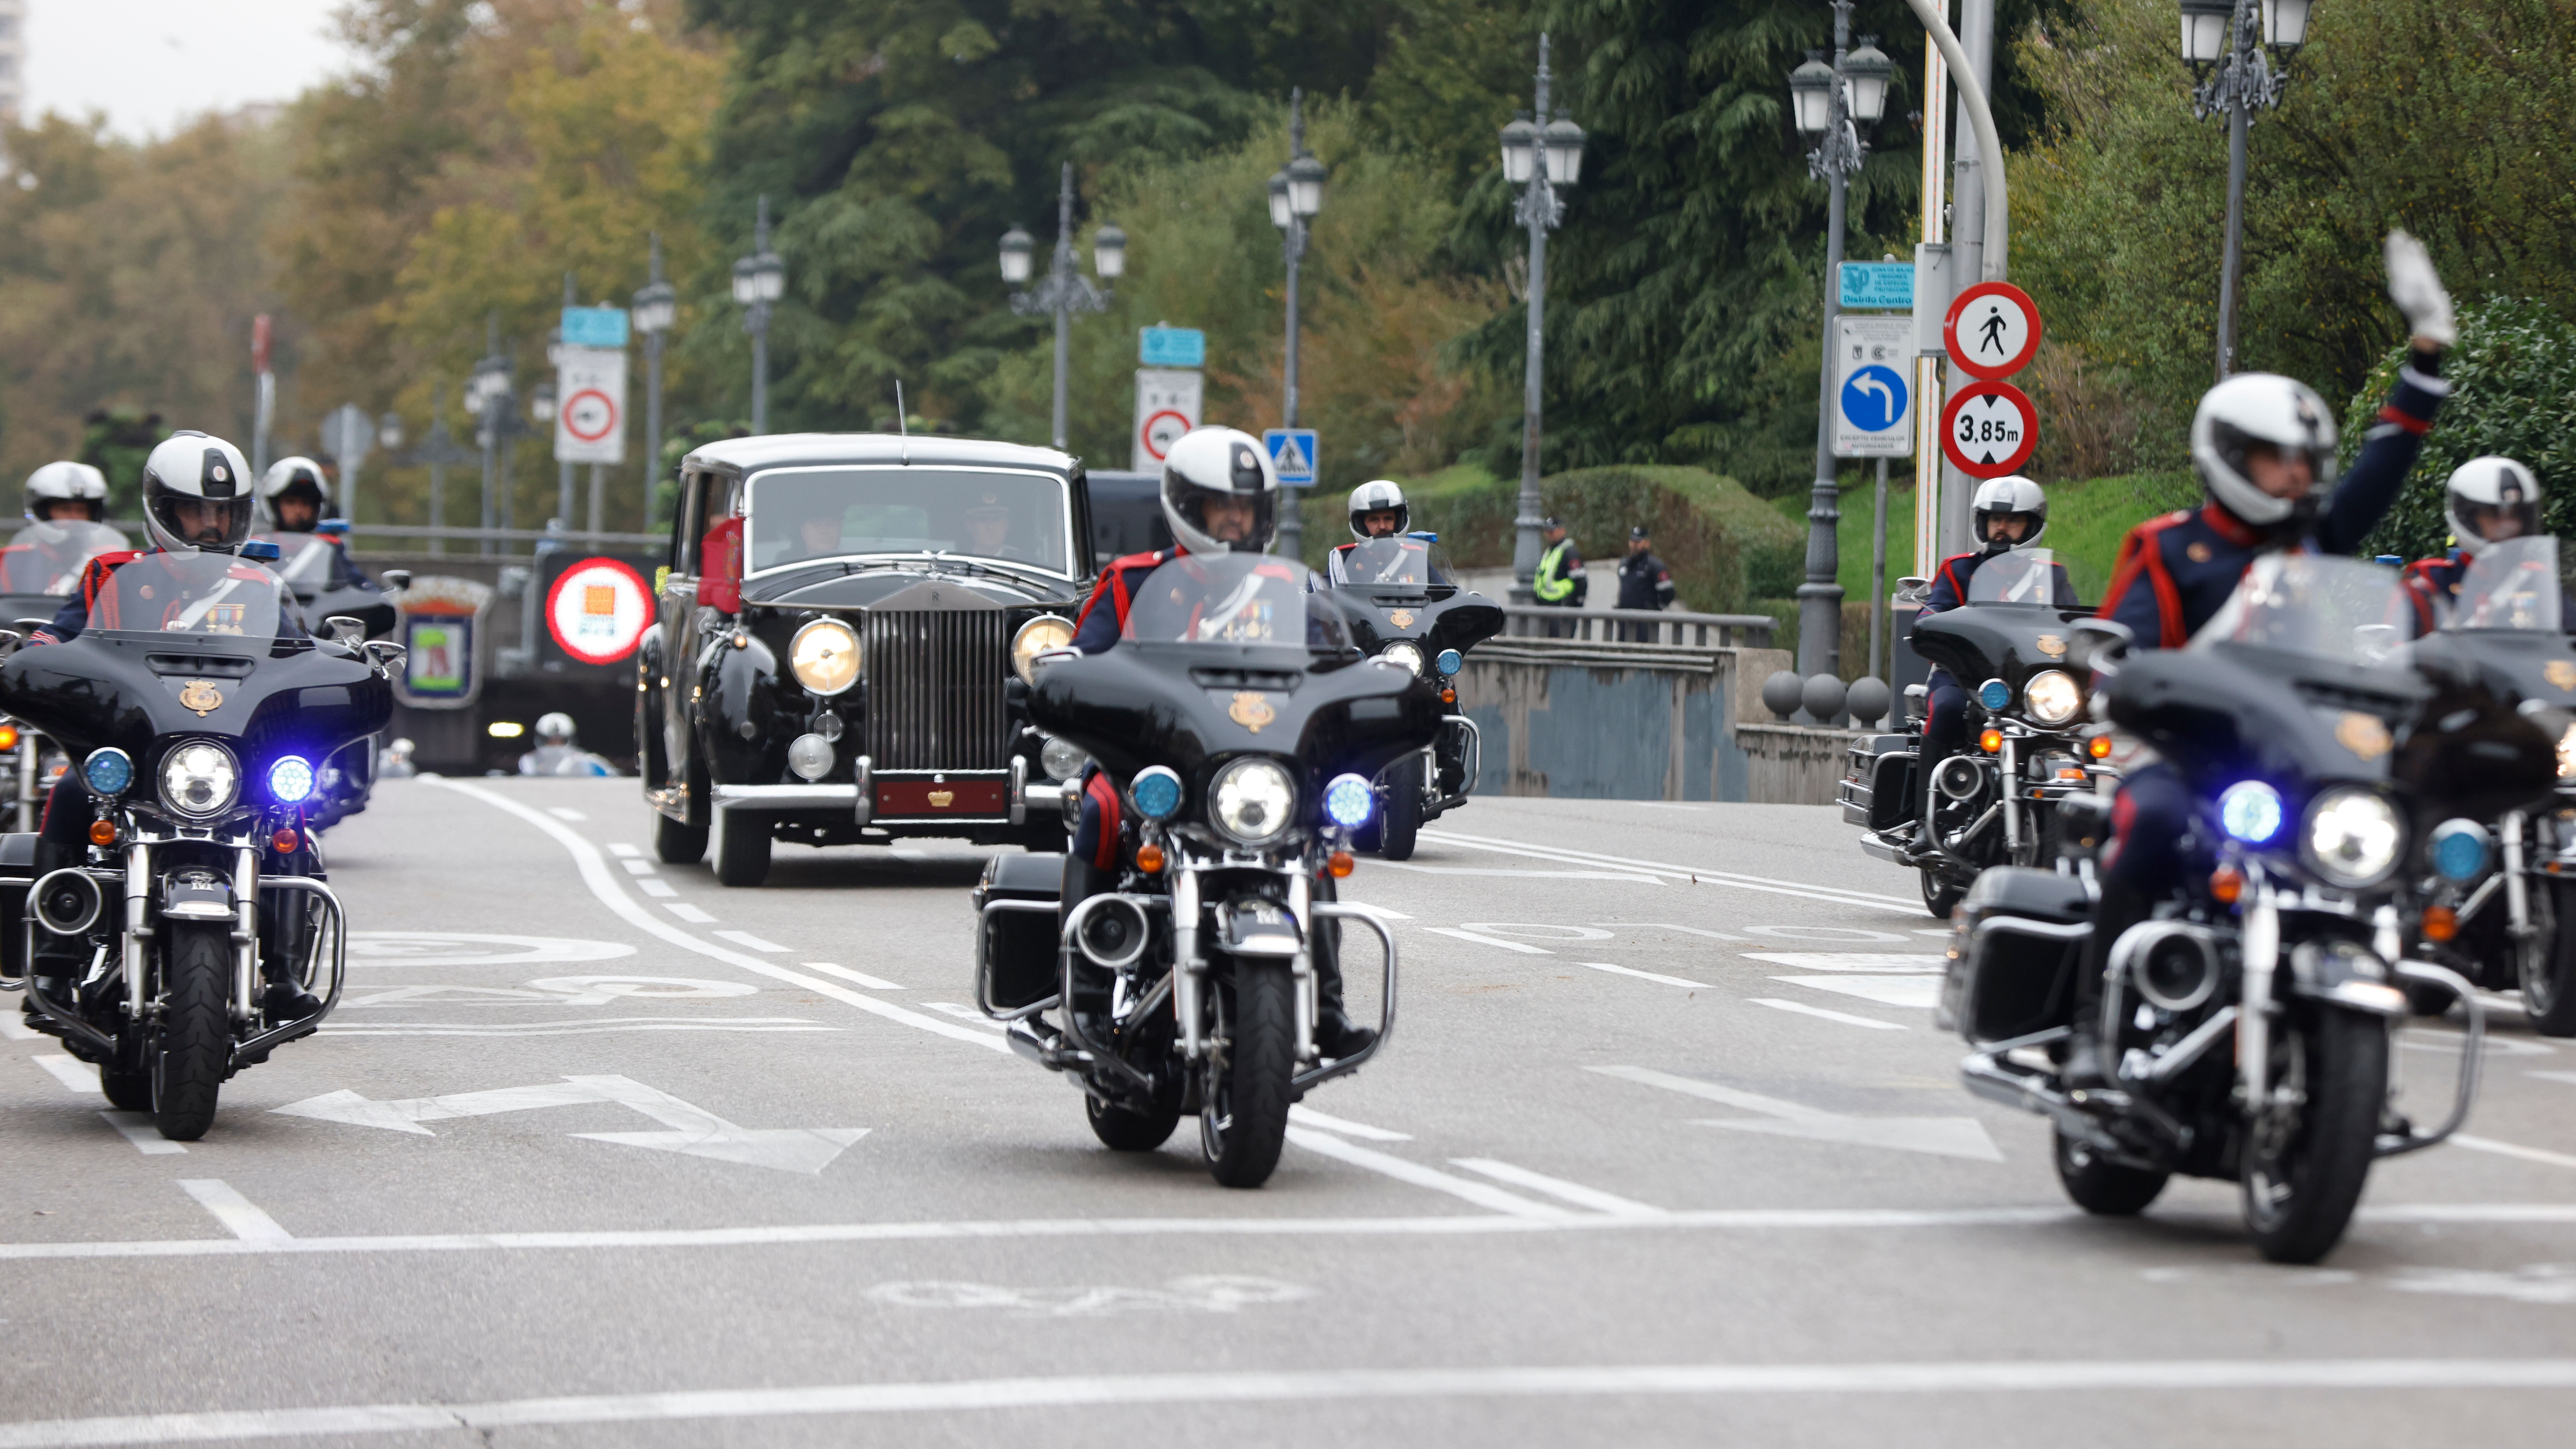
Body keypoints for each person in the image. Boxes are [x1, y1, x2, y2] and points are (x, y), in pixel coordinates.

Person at [2067, 231, 2457, 1087]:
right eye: (2275, 461)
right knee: (2143, 829)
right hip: (2186, 758)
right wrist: (2118, 670)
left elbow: (2381, 465)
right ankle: (2092, 1035)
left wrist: (2425, 355)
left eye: (2301, 462)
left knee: (2377, 848)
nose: (2293, 477)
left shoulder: (2315, 543)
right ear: (2231, 457)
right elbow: (2124, 646)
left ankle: (2357, 1014)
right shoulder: (2169, 548)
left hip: (2294, 758)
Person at [1060, 426, 1373, 1058]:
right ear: (1186, 506)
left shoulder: (1295, 591)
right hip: (1157, 763)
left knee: (1315, 835)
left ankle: (1329, 1006)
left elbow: (1339, 665)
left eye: (1247, 506)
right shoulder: (1133, 583)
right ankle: (1084, 997)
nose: (1236, 518)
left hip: (1254, 764)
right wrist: (1055, 677)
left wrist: (1378, 684)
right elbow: (1079, 658)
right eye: (1221, 505)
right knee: (1098, 806)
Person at [21, 432, 322, 1027]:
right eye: (195, 511)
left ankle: (283, 972)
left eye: (223, 514)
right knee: (71, 791)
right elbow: (59, 634)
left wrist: (344, 662)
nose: (210, 527)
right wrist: (32, 653)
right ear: (161, 509)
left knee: (292, 812)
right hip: (139, 750)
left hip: (229, 754)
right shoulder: (110, 576)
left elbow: (300, 651)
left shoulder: (262, 588)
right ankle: (55, 955)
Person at [1908, 476, 2074, 848]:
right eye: (1993, 520)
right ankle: (1925, 820)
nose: (2001, 529)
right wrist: (1935, 632)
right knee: (1947, 709)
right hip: (1964, 677)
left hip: (2030, 684)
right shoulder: (1959, 571)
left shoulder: (2053, 575)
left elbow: (2073, 625)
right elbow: (1929, 618)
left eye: (2012, 521)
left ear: (2032, 526)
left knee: (2077, 725)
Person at [2401, 457, 2542, 630]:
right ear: (2469, 518)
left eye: (2515, 515)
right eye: (2494, 514)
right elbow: (2399, 651)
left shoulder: (2537, 580)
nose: (2508, 525)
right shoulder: (2430, 581)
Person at [2, 462, 129, 594]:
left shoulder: (110, 561)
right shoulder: (13, 561)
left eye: (81, 511)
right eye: (65, 510)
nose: (74, 518)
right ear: (43, 512)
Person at [258, 456, 375, 588]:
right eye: (290, 502)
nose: (298, 510)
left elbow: (362, 589)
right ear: (274, 505)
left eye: (306, 504)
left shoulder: (329, 548)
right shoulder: (258, 548)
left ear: (317, 508)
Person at [1615, 526, 1675, 640]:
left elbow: (1668, 592)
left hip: (1645, 623)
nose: (1634, 545)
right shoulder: (1625, 564)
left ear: (1647, 543)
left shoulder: (1655, 566)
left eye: (1638, 542)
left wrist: (1656, 608)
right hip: (1624, 621)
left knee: (1644, 654)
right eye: (1632, 541)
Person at [1533, 516, 1585, 636]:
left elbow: (1581, 581)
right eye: (1548, 531)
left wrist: (1576, 604)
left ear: (1562, 530)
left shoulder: (1569, 552)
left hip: (1564, 609)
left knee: (1561, 646)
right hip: (1547, 607)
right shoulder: (1550, 552)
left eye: (1553, 531)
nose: (1550, 534)